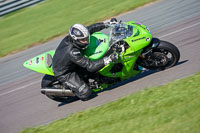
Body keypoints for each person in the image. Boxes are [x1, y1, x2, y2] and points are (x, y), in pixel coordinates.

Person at [52, 18, 118, 101]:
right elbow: (90, 65)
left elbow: (91, 28)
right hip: (65, 73)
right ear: (75, 39)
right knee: (86, 93)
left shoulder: (77, 38)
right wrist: (108, 59)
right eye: (84, 40)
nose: (87, 41)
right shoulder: (72, 52)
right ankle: (74, 89)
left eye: (86, 38)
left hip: (71, 62)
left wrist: (106, 24)